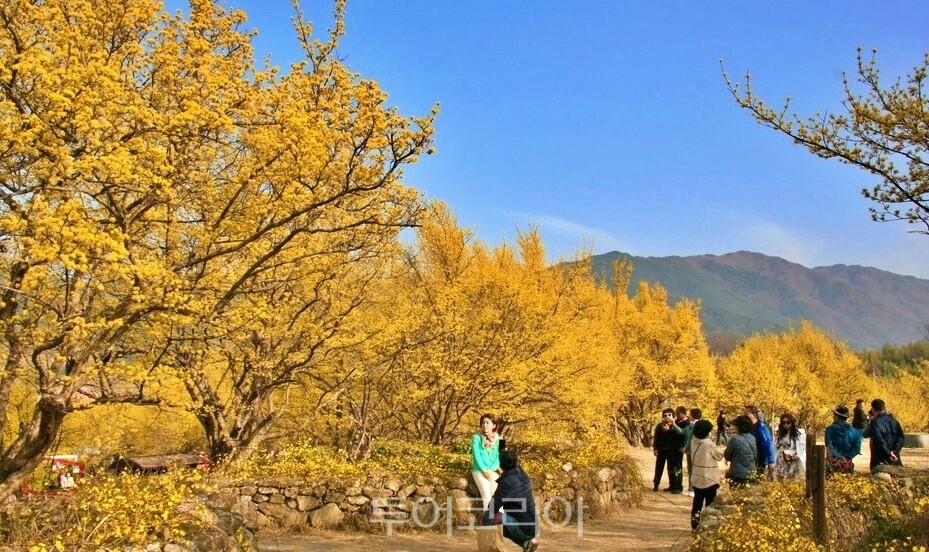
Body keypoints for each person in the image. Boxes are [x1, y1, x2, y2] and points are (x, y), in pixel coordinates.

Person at [482, 450, 539, 552]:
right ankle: (527, 543)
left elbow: (493, 507)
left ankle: (492, 548)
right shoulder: (522, 474)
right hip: (531, 525)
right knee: (497, 516)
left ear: (501, 465)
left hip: (524, 528)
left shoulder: (508, 482)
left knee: (489, 516)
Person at [689, 419, 723, 532]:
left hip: (697, 477)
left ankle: (694, 525)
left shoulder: (693, 442)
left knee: (697, 504)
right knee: (710, 505)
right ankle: (708, 526)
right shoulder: (709, 444)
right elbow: (719, 456)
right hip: (709, 478)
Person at [862, 398, 905, 473]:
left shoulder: (875, 422)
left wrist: (888, 453)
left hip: (879, 460)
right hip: (895, 459)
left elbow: (875, 438)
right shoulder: (894, 421)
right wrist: (895, 451)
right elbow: (901, 437)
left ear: (873, 409)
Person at [472, 413, 501, 509]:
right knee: (486, 496)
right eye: (483, 423)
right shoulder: (476, 438)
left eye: (487, 423)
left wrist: (491, 470)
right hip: (479, 471)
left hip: (492, 471)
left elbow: (500, 457)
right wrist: (484, 470)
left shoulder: (500, 440)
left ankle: (500, 517)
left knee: (497, 496)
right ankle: (488, 518)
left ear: (494, 425)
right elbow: (476, 456)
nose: (484, 425)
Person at [652, 408, 683, 492]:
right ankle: (656, 484)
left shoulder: (676, 425)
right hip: (662, 449)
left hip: (672, 450)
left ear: (673, 416)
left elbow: (679, 436)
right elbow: (656, 437)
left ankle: (672, 485)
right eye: (665, 415)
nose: (667, 417)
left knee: (671, 468)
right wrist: (655, 448)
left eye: (669, 415)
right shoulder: (660, 425)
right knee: (659, 467)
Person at [825, 405, 862, 474]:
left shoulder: (829, 429)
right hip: (847, 465)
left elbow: (829, 445)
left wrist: (839, 457)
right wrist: (846, 458)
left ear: (837, 416)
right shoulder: (856, 432)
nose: (833, 417)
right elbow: (857, 449)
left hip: (833, 464)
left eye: (834, 415)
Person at [724, 415, 757, 487]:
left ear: (739, 427)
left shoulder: (735, 439)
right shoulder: (753, 438)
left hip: (737, 474)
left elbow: (727, 456)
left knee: (737, 492)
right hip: (751, 472)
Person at [773, 412, 806, 481]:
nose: (785, 425)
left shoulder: (798, 434)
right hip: (780, 460)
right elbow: (775, 446)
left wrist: (797, 455)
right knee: (779, 480)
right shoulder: (779, 434)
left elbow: (801, 448)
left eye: (788, 422)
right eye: (783, 423)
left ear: (792, 422)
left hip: (791, 460)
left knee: (790, 480)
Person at [745, 405, 775, 477]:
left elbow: (768, 443)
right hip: (751, 460)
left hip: (761, 460)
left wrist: (771, 461)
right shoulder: (748, 428)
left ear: (754, 415)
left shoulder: (761, 427)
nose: (745, 417)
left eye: (747, 414)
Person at [684, 407, 703, 496]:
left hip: (693, 450)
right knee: (691, 469)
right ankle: (691, 487)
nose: (689, 415)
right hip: (692, 450)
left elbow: (692, 439)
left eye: (690, 414)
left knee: (692, 469)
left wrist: (686, 447)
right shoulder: (690, 425)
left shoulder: (697, 425)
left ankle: (692, 487)